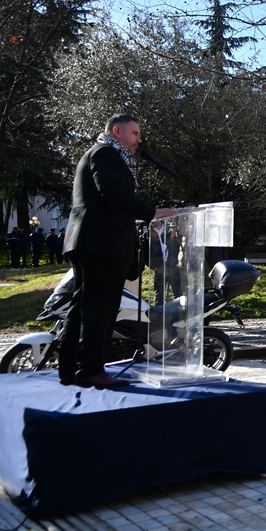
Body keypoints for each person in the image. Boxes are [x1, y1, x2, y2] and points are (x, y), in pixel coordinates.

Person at [60, 114, 176, 388]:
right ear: (116, 131)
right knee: (97, 309)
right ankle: (88, 369)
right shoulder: (104, 153)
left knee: (88, 307)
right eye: (135, 133)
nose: (139, 139)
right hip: (99, 243)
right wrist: (150, 213)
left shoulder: (109, 155)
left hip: (99, 243)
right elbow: (110, 191)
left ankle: (74, 369)